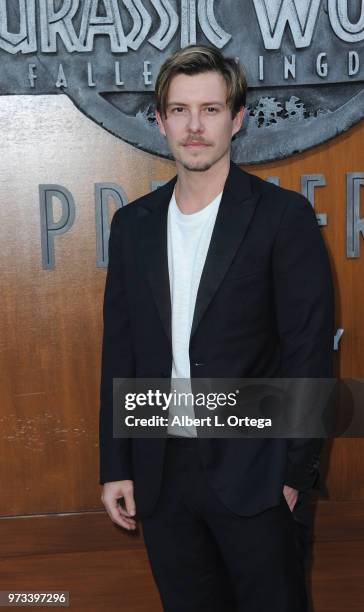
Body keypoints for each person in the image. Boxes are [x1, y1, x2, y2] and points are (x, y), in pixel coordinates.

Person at [99, 44, 334, 612]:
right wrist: (116, 467)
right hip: (161, 473)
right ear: (160, 121)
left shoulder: (283, 218)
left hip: (257, 473)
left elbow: (308, 353)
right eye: (179, 110)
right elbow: (121, 352)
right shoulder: (132, 226)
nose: (195, 126)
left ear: (237, 118)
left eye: (209, 109)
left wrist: (294, 475)